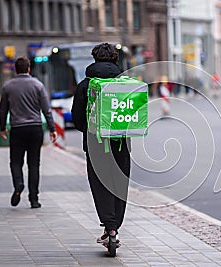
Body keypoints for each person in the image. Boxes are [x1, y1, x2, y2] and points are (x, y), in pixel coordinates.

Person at [71, 43, 131, 248]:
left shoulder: (86, 84)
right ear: (115, 59)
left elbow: (77, 118)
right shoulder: (124, 83)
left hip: (95, 143)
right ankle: (115, 226)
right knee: (119, 184)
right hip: (121, 143)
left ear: (94, 59)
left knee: (100, 184)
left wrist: (89, 130)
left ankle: (109, 226)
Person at [0, 57, 58, 209]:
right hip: (35, 129)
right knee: (34, 164)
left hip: (17, 129)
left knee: (16, 161)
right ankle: (34, 199)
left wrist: (3, 128)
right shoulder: (38, 85)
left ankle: (18, 183)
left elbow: (3, 109)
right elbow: (46, 109)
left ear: (15, 69)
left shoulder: (8, 86)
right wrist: (52, 129)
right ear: (29, 69)